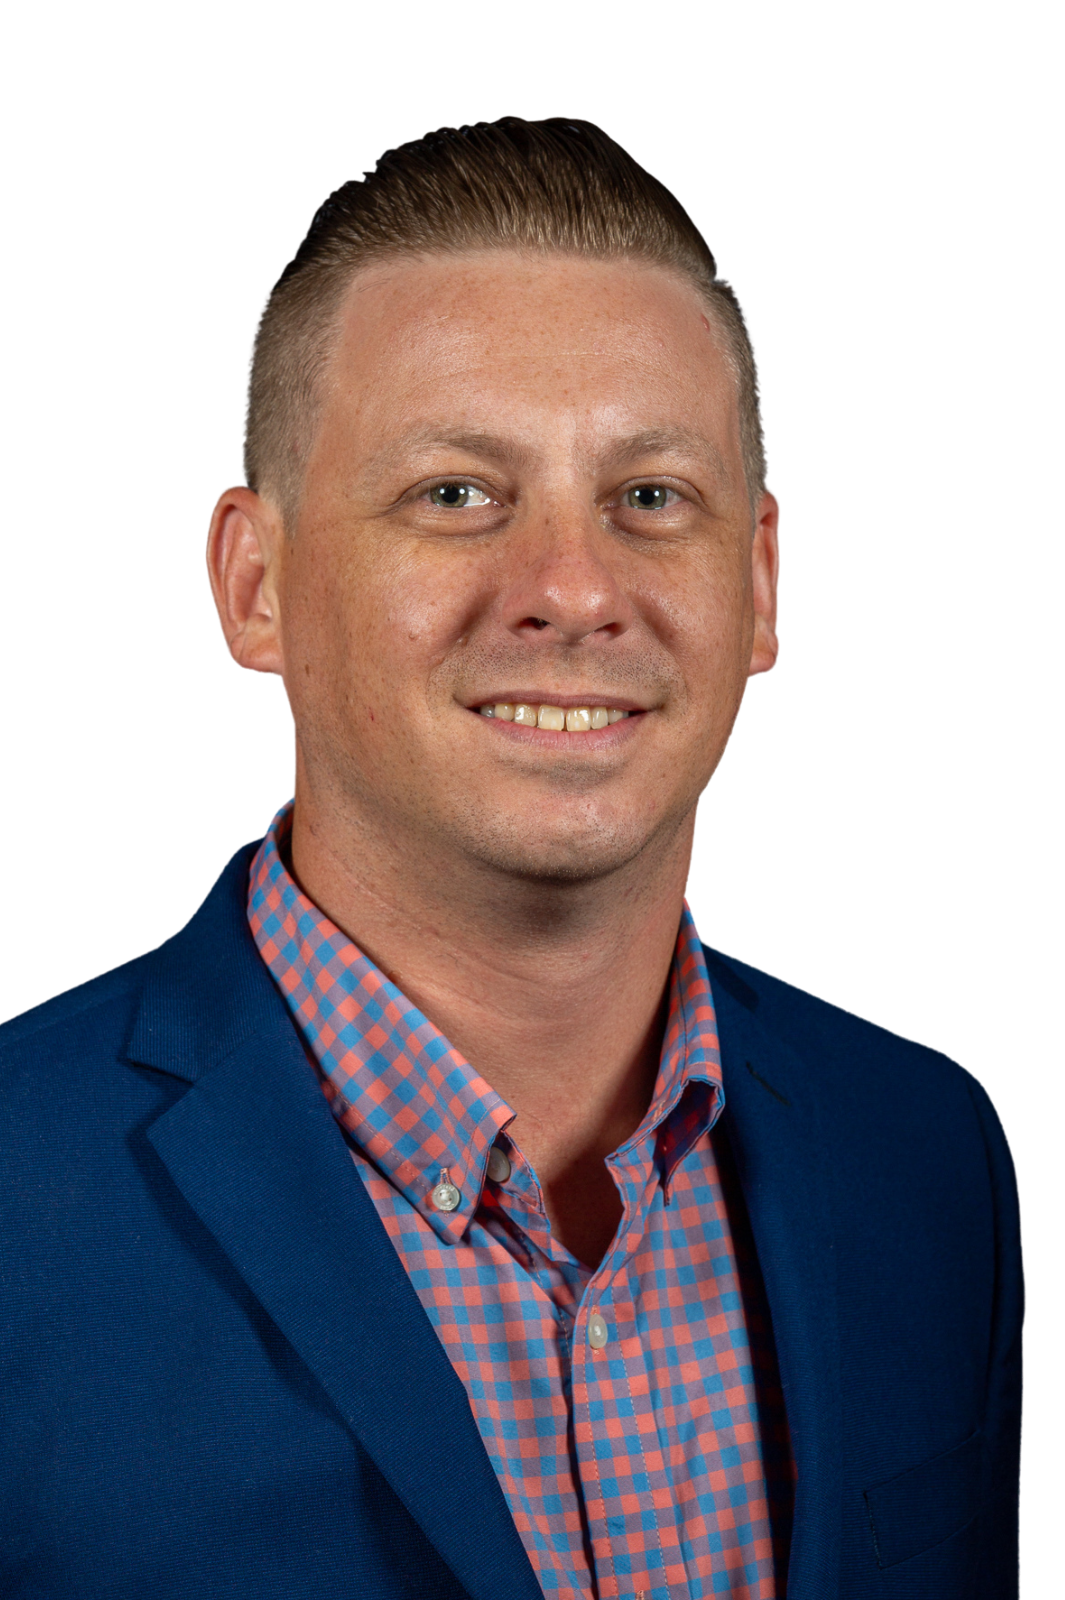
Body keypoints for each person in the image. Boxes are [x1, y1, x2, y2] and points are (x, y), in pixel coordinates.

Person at [0, 119, 1021, 1600]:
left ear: (758, 591)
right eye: (458, 494)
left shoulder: (932, 1165)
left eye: (651, 497)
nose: (574, 588)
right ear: (255, 587)